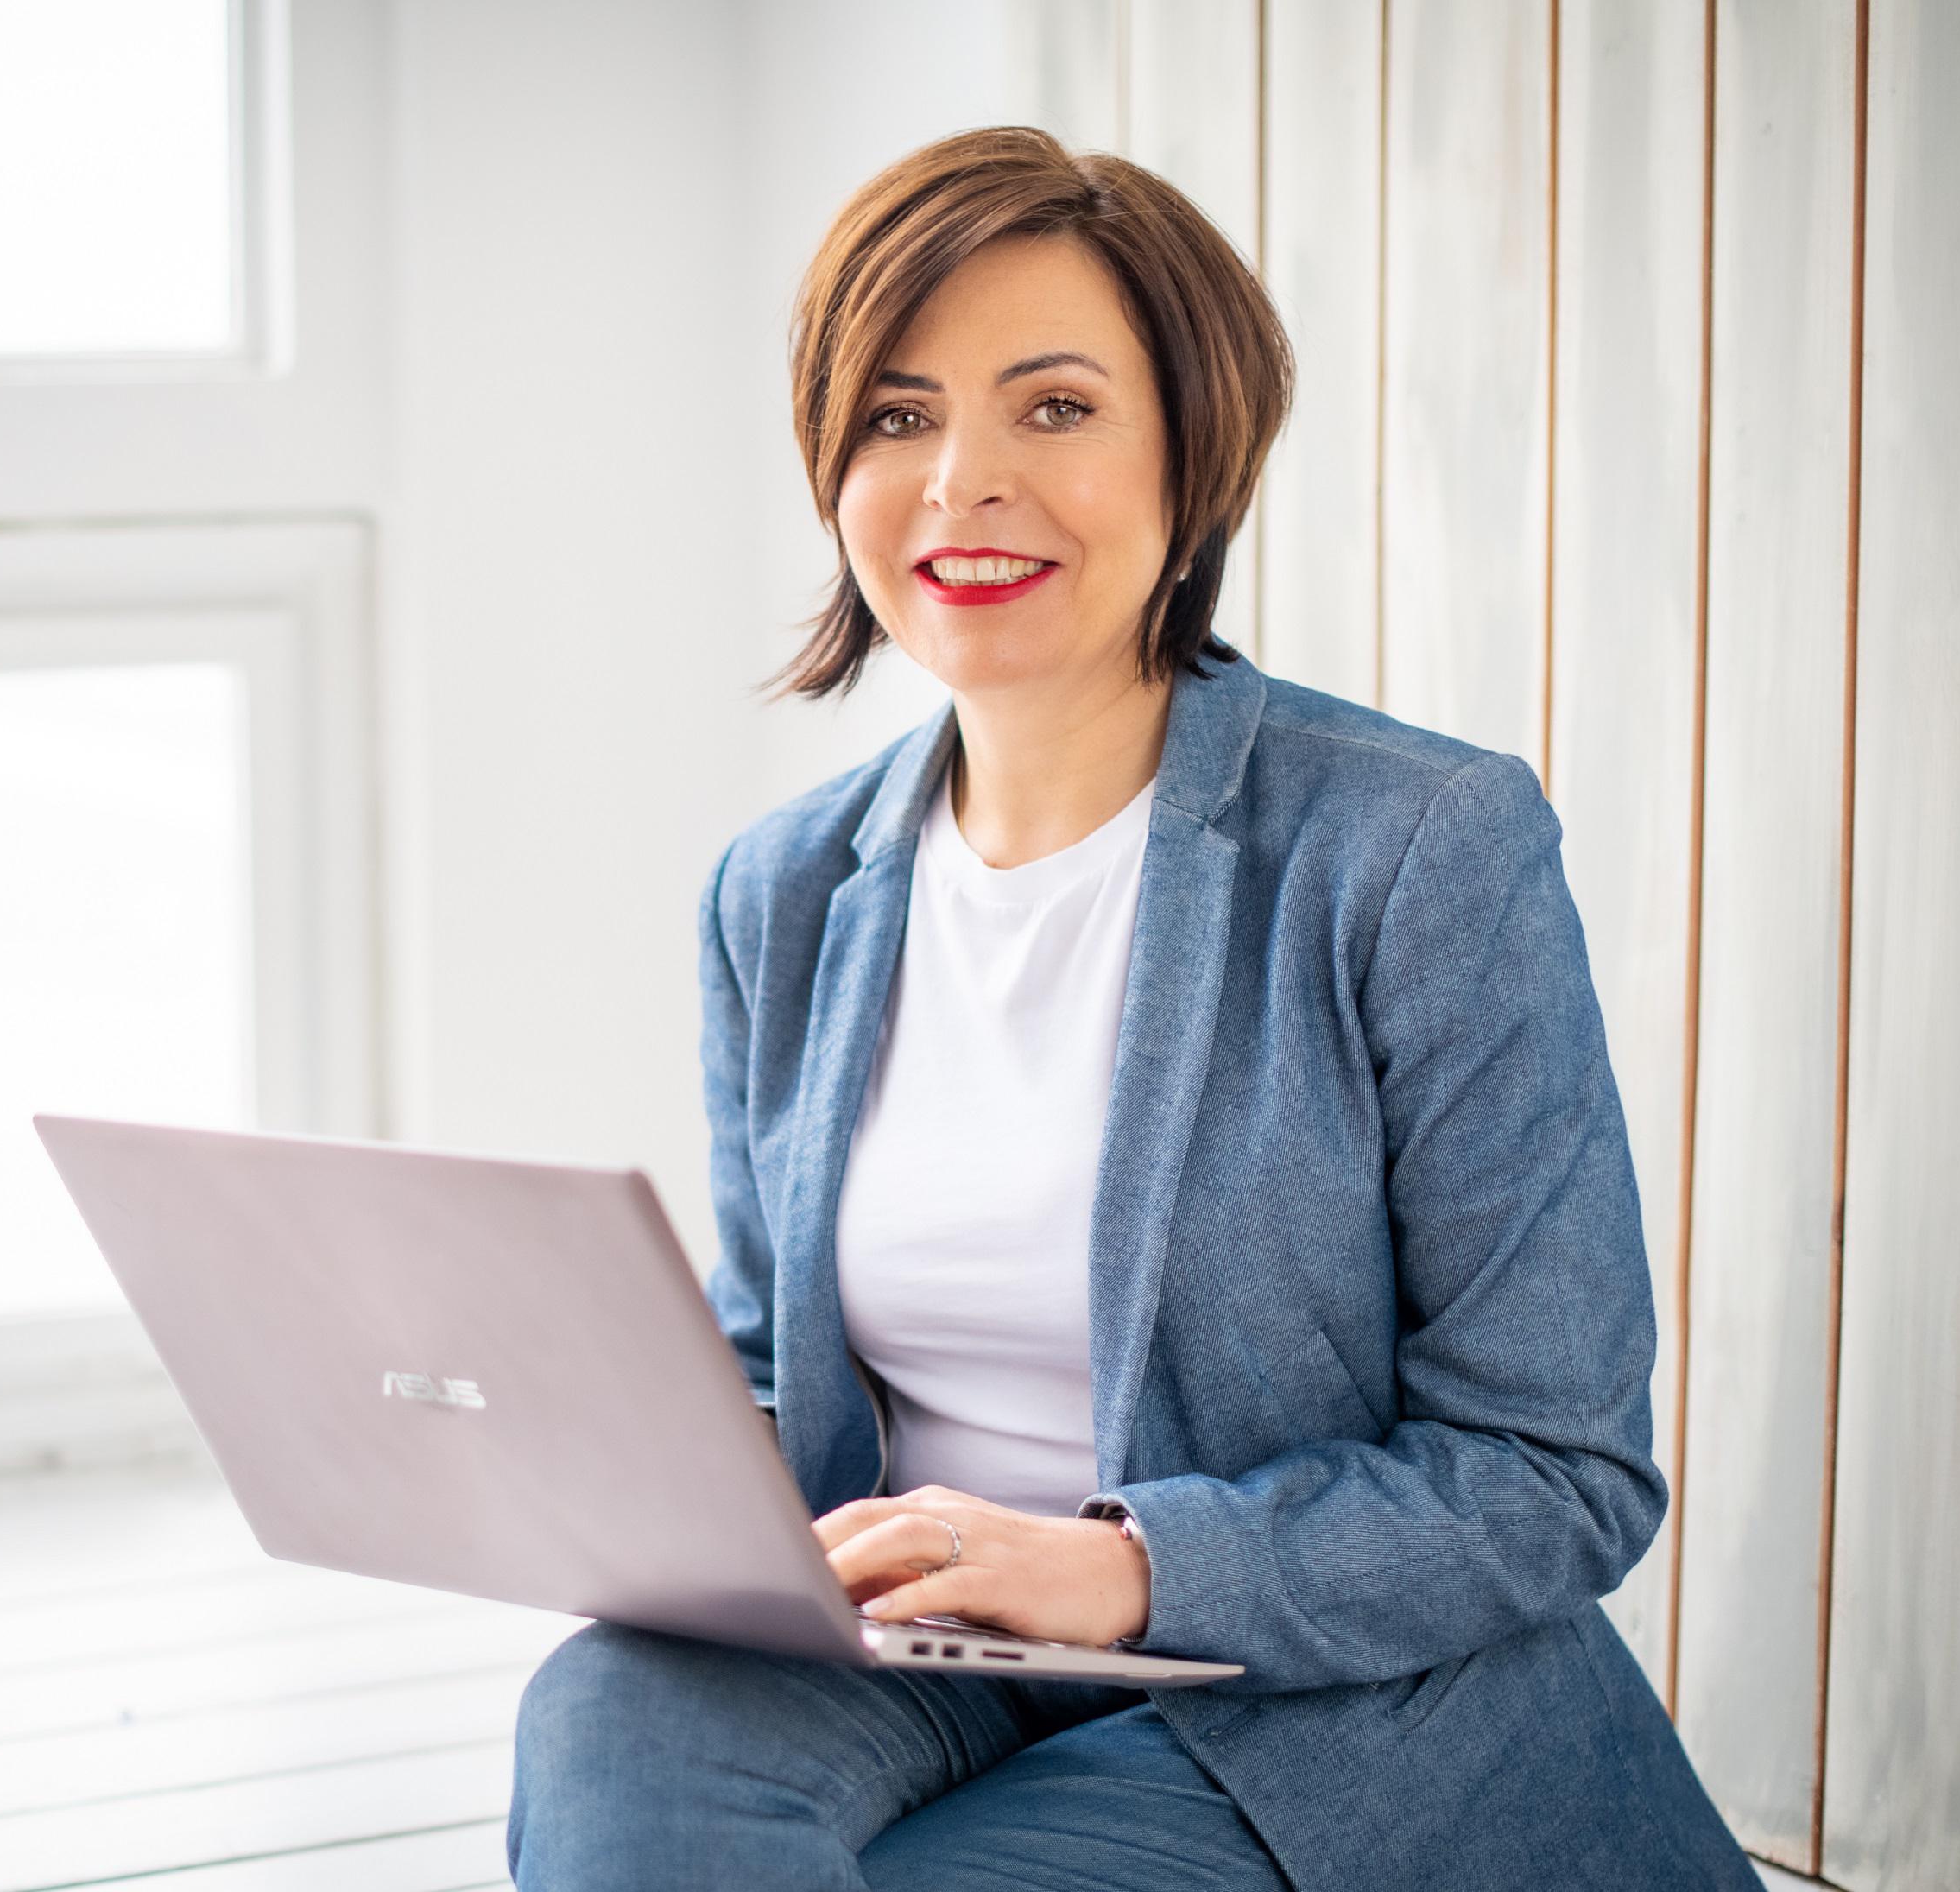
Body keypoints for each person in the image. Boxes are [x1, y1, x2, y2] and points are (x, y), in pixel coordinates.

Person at [505, 128, 1757, 1891]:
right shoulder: (779, 890)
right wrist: (582, 1463)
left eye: (1056, 408)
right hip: (926, 1660)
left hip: (1311, 1692)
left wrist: (1121, 1564)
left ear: (1195, 447)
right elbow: (782, 1371)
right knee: (608, 1719)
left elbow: (1554, 1473)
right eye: (895, 414)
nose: (960, 482)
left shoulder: (1415, 851)